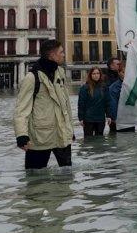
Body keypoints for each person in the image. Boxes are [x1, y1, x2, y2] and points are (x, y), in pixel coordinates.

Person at [13, 39, 74, 170]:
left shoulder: (60, 73)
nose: (64, 55)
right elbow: (21, 110)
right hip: (40, 138)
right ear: (52, 55)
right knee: (35, 180)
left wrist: (70, 130)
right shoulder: (31, 78)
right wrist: (21, 136)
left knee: (67, 179)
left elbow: (66, 103)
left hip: (62, 135)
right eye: (61, 52)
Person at [77, 67, 108, 137]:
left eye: (98, 73)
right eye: (94, 74)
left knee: (100, 140)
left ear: (100, 75)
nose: (96, 75)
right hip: (88, 119)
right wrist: (81, 118)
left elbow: (107, 102)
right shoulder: (84, 88)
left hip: (100, 119)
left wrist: (109, 115)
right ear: (90, 75)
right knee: (88, 139)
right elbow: (81, 104)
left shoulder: (104, 87)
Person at [107, 61, 134, 133]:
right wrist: (114, 118)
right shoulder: (113, 87)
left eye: (127, 72)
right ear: (119, 73)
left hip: (129, 119)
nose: (126, 74)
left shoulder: (133, 85)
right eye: (123, 72)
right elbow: (112, 104)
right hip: (117, 120)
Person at [102, 57, 121, 132]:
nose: (119, 65)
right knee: (114, 131)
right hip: (111, 110)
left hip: (121, 108)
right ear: (111, 66)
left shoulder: (120, 76)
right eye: (118, 64)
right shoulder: (105, 77)